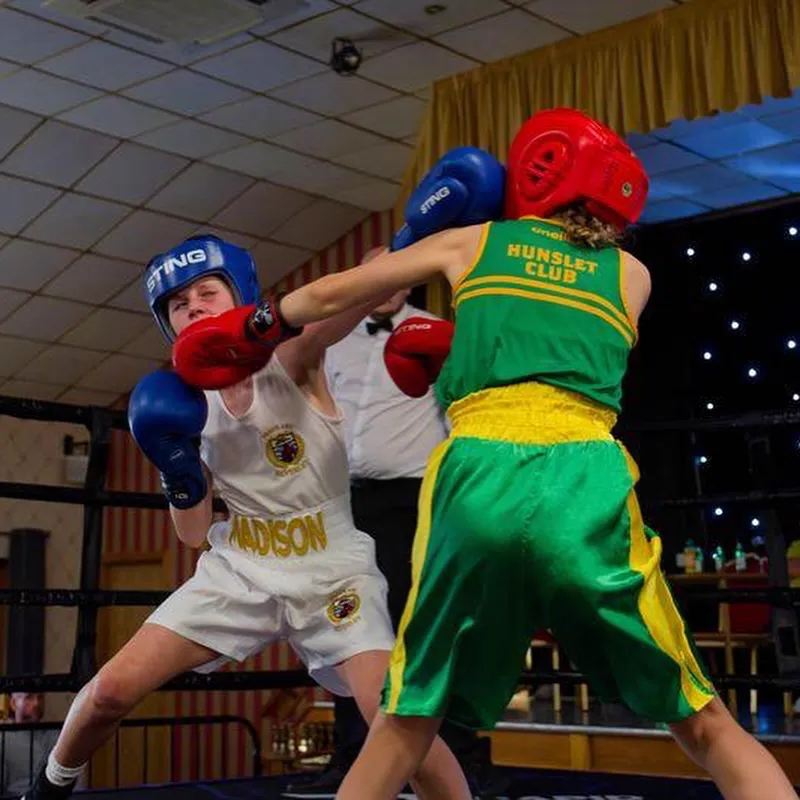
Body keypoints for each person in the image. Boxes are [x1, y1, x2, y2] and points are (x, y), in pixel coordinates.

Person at [192, 108, 796, 800]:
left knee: (409, 715)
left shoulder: (474, 242)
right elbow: (562, 343)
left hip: (480, 472)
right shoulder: (633, 274)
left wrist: (253, 326)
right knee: (704, 720)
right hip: (586, 482)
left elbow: (337, 291)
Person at [21, 234, 470, 800]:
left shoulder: (292, 357)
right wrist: (177, 471)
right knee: (110, 690)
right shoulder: (179, 402)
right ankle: (46, 788)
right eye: (179, 305)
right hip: (241, 566)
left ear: (239, 295)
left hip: (332, 567)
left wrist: (408, 248)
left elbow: (342, 300)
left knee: (395, 717)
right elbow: (190, 535)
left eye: (207, 291)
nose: (194, 307)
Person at [291, 250, 499, 795]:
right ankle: (353, 758)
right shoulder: (329, 337)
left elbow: (469, 408)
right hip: (343, 501)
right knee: (348, 627)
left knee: (427, 624)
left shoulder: (436, 332)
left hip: (417, 500)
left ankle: (462, 759)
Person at [1, 693, 60, 797]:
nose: (37, 703)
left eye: (40, 697)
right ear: (13, 703)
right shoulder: (3, 738)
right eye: (29, 697)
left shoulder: (56, 735)